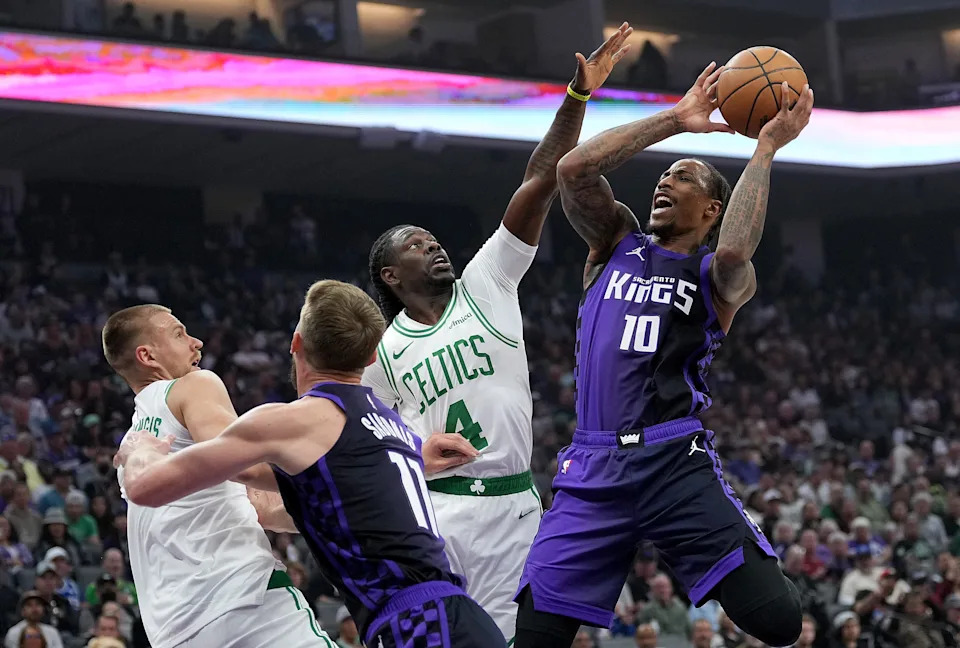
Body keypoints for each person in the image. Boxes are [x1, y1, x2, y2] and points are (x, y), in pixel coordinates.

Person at [514, 63, 814, 648]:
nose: (664, 181)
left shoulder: (716, 274)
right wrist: (676, 120)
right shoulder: (614, 244)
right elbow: (573, 170)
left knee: (779, 621)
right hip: (591, 467)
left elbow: (735, 250)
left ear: (711, 209)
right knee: (535, 639)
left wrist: (766, 148)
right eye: (663, 175)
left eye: (682, 177)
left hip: (673, 459)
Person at [362, 25, 633, 642]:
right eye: (416, 244)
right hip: (435, 509)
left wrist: (577, 96)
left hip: (513, 507)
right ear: (390, 275)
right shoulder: (381, 349)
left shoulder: (486, 283)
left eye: (434, 238)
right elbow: (367, 444)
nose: (433, 245)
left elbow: (538, 180)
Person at [116, 280, 506, 648]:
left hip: (415, 620)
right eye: (180, 333)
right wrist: (413, 459)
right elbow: (297, 503)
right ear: (372, 356)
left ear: (296, 343)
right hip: (442, 613)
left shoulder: (287, 419)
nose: (196, 342)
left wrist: (139, 454)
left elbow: (203, 478)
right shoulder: (391, 428)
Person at [100, 303, 330, 647]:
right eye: (179, 334)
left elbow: (263, 509)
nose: (197, 342)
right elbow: (245, 467)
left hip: (174, 631)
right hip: (243, 597)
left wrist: (328, 515)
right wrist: (338, 481)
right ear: (147, 356)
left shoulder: (133, 446)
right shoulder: (194, 385)